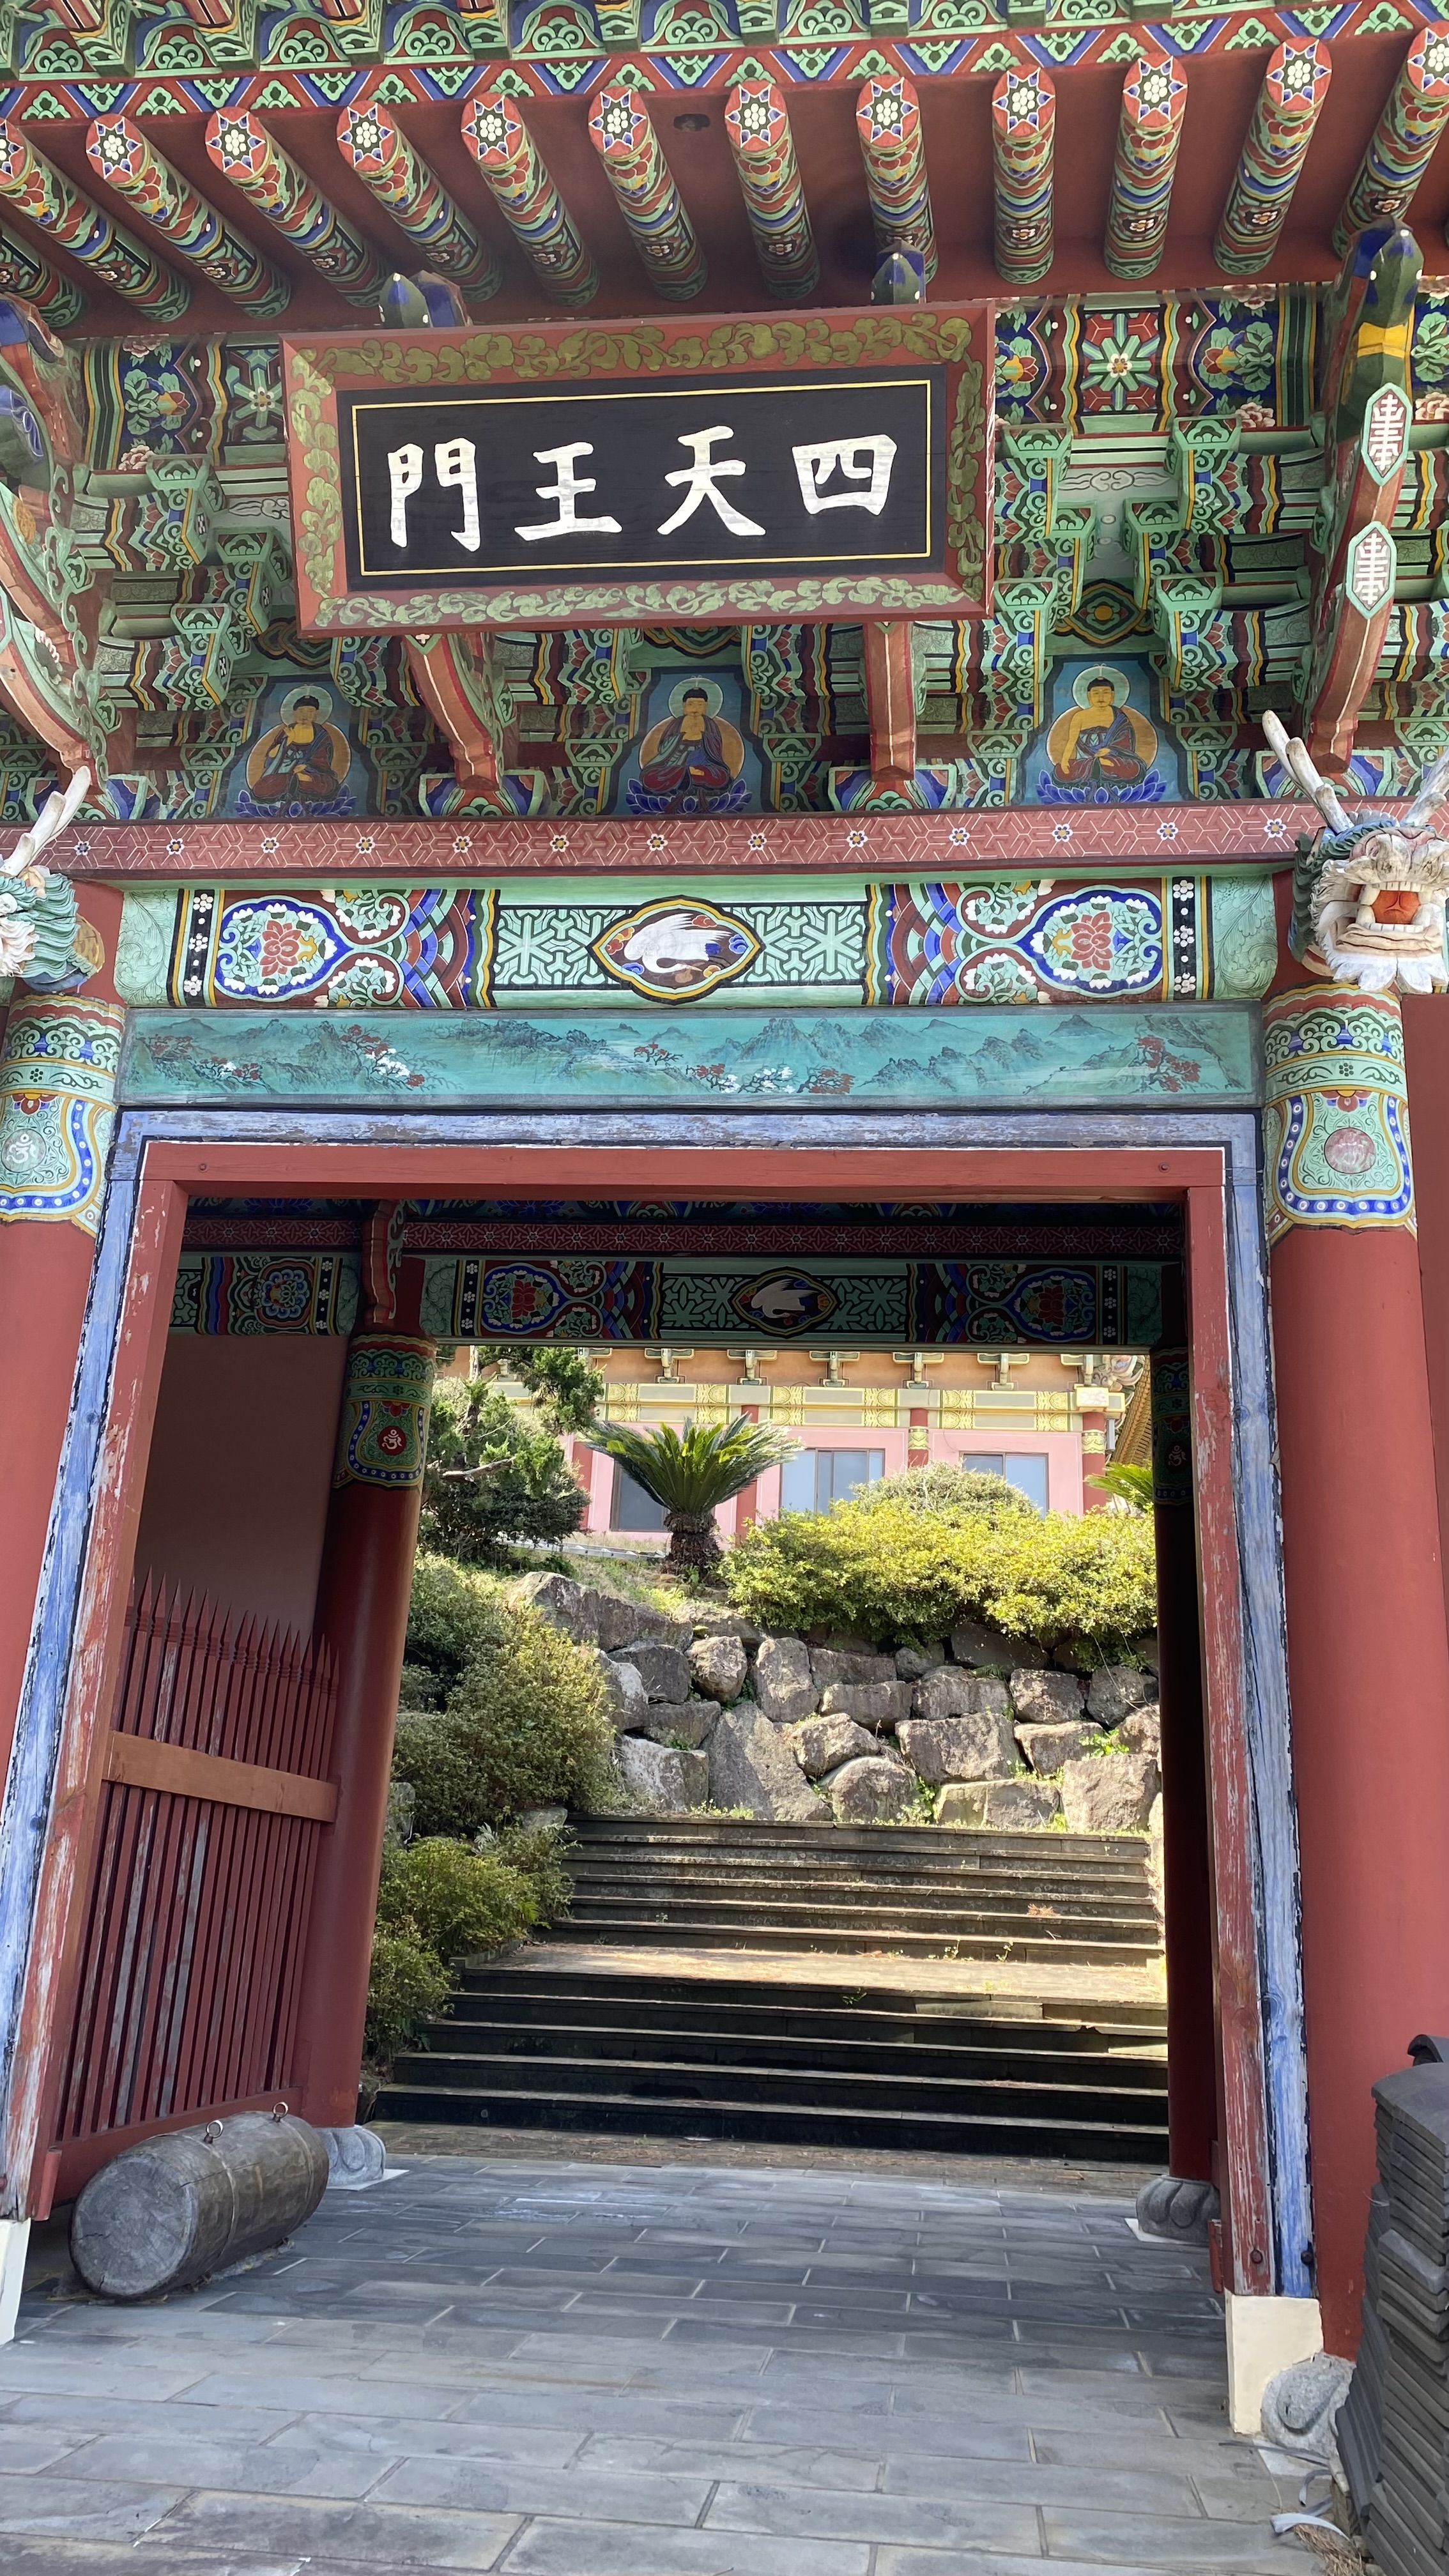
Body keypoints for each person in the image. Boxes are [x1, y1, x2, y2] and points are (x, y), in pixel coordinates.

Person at [1048, 675, 1156, 791]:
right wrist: (1065, 761)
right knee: (1060, 771)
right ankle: (1097, 765)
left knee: (1134, 768)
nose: (1101, 697)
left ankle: (1099, 766)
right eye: (1096, 693)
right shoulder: (1079, 717)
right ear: (1089, 696)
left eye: (1105, 693)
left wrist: (1110, 750)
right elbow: (1071, 741)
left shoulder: (1118, 716)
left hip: (1111, 758)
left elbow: (1125, 741)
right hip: (1086, 761)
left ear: (1112, 696)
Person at [637, 687, 737, 808]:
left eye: (700, 705)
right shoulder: (677, 724)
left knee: (722, 777)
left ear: (706, 706)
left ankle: (686, 776)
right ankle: (689, 774)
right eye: (691, 704)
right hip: (676, 763)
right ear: (684, 706)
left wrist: (705, 738)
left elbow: (715, 749)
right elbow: (663, 748)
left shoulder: (710, 724)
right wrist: (680, 738)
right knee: (650, 778)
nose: (695, 709)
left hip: (703, 763)